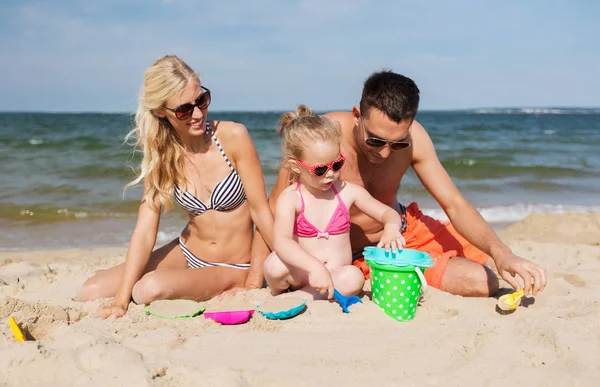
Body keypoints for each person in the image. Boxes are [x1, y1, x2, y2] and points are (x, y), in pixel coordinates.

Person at [256, 70, 547, 297]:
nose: (384, 152)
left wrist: (503, 253)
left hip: (402, 234)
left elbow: (454, 205)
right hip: (342, 257)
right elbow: (271, 213)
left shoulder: (415, 139)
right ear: (357, 115)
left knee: (488, 277)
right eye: (375, 140)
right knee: (478, 282)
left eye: (396, 144)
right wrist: (254, 279)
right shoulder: (322, 141)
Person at [77, 55, 274, 318]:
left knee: (148, 289)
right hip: (187, 251)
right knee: (90, 290)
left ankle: (208, 281)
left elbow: (261, 213)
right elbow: (146, 230)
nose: (197, 114)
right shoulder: (162, 153)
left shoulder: (233, 137)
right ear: (161, 111)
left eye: (201, 100)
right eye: (184, 109)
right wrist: (120, 302)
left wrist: (267, 276)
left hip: (233, 264)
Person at [263, 105, 405, 300]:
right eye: (320, 170)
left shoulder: (348, 191)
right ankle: (282, 293)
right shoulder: (291, 197)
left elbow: (387, 213)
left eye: (337, 164)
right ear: (295, 167)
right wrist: (314, 267)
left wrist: (391, 228)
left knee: (355, 277)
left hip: (336, 276)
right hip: (303, 272)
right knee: (273, 265)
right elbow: (282, 242)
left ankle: (294, 299)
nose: (331, 174)